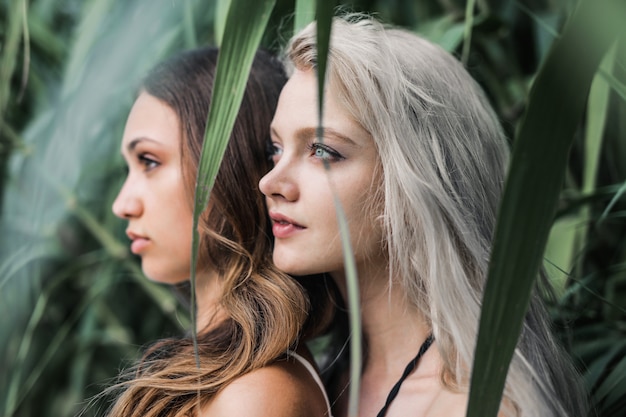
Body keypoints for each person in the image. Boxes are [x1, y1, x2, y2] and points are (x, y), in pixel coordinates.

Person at [260, 16, 587, 417]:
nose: (271, 181)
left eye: (323, 151)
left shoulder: (477, 406)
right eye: (275, 148)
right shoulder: (308, 382)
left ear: (418, 179)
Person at [107, 46, 335, 417]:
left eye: (149, 161)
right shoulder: (232, 374)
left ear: (228, 168)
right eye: (129, 168)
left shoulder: (256, 395)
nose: (123, 204)